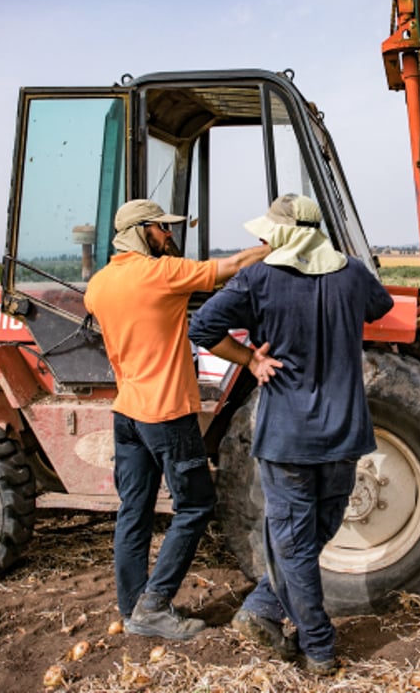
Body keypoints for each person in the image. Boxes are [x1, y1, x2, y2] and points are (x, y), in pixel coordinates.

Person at [189, 193, 394, 674]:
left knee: (298, 538)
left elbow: (202, 325)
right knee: (315, 531)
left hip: (288, 434)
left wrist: (249, 359)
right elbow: (379, 306)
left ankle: (316, 644)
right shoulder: (352, 272)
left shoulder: (259, 278)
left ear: (281, 234)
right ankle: (264, 608)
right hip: (344, 431)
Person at [84, 199, 275, 640]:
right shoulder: (160, 274)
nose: (169, 236)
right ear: (141, 231)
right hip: (166, 413)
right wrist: (270, 246)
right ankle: (154, 606)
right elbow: (229, 266)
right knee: (194, 505)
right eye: (162, 229)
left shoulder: (98, 285)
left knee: (134, 510)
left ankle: (133, 608)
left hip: (127, 413)